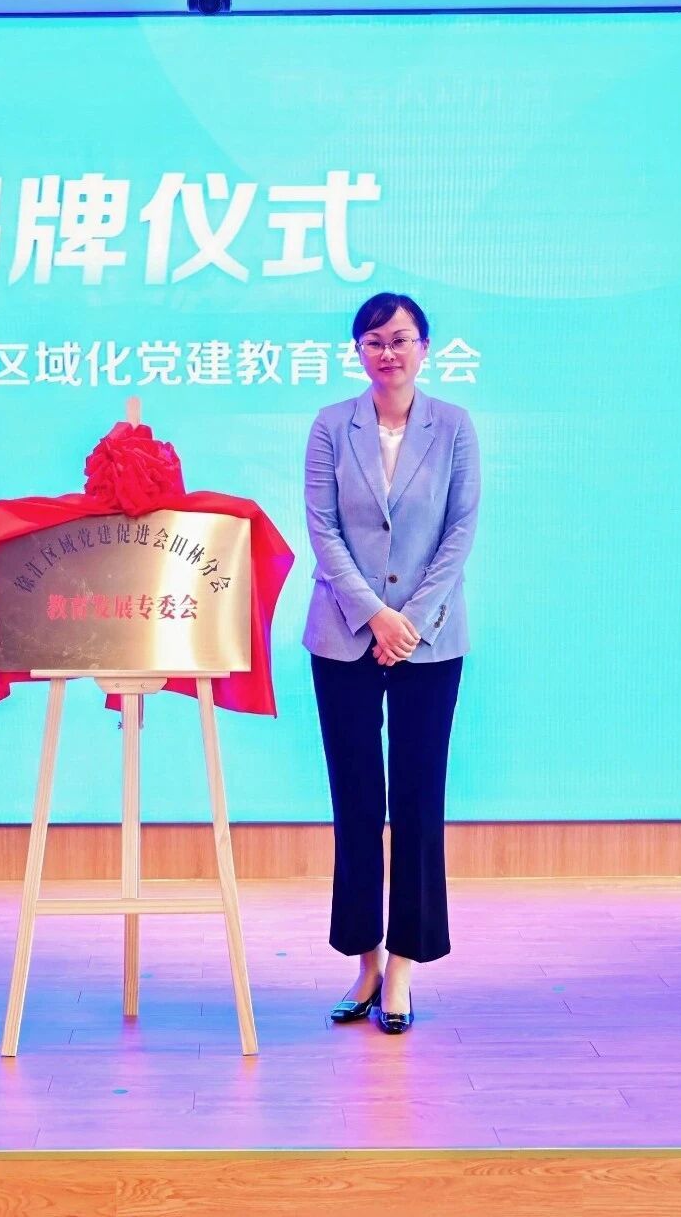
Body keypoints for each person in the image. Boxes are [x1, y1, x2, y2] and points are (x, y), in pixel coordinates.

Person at [303, 291, 480, 1034]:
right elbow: (322, 528)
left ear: (425, 347)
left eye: (401, 339)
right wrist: (373, 613)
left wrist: (408, 622)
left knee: (417, 800)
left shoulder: (455, 426)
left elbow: (460, 529)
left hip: (430, 639)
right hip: (344, 632)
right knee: (355, 803)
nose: (388, 352)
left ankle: (404, 965)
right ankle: (366, 961)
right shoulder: (330, 425)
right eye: (374, 341)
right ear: (358, 351)